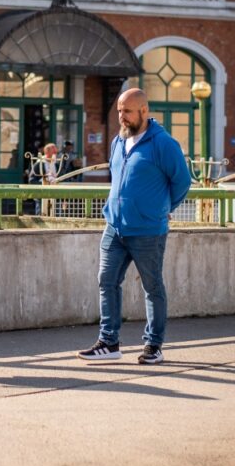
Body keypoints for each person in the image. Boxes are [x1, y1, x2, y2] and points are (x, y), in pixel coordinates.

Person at [78, 88, 191, 365]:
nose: (122, 116)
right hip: (115, 227)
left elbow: (182, 182)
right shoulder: (118, 141)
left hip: (148, 231)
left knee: (152, 287)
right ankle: (109, 342)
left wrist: (163, 209)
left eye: (127, 111)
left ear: (143, 110)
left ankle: (154, 345)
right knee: (107, 281)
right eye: (119, 111)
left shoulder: (163, 144)